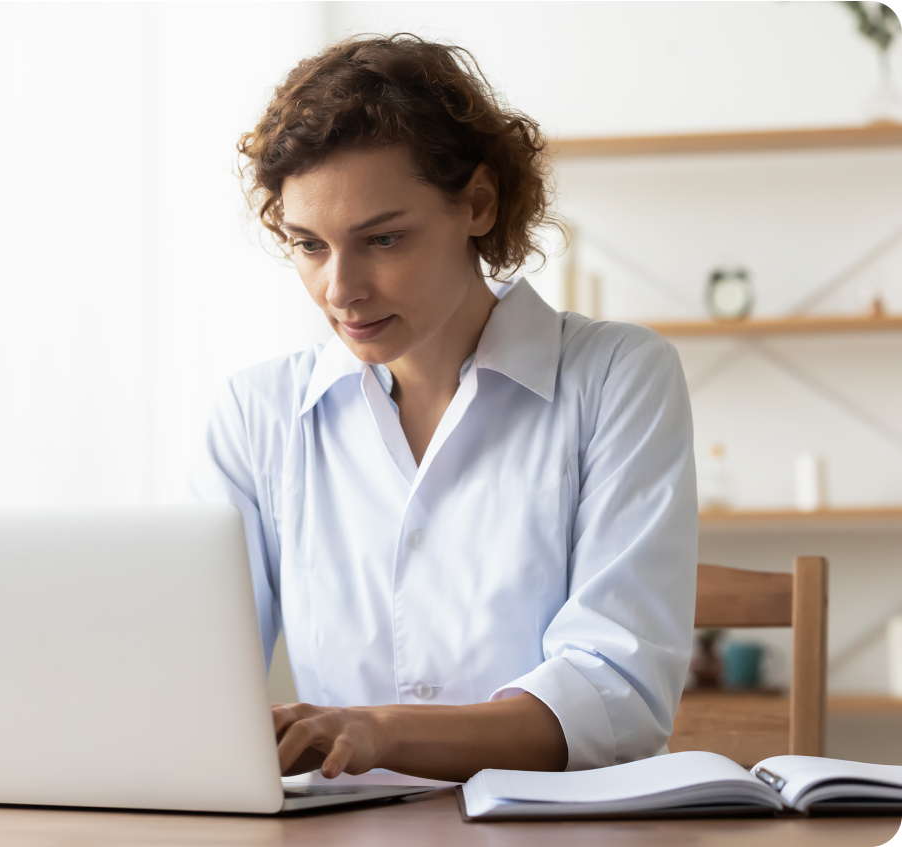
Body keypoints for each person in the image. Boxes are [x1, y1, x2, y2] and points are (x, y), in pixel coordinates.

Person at [190, 34, 697, 783]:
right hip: (336, 832)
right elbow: (196, 682)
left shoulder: (617, 377)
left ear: (478, 204)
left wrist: (379, 732)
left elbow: (616, 697)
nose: (340, 290)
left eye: (383, 238)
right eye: (309, 245)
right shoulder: (256, 414)